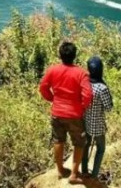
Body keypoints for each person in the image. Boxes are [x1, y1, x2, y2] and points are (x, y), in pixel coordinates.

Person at [39, 42, 93, 185]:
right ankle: (74, 175)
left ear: (60, 55)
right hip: (75, 115)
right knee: (79, 143)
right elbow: (88, 95)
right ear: (74, 56)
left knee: (58, 140)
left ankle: (60, 170)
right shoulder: (82, 73)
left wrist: (53, 99)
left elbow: (43, 88)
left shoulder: (52, 70)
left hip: (57, 113)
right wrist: (81, 107)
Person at [82, 56, 114, 181]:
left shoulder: (85, 84)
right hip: (98, 125)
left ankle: (84, 171)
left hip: (85, 122)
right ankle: (94, 175)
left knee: (86, 146)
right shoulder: (102, 88)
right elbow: (108, 108)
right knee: (101, 149)